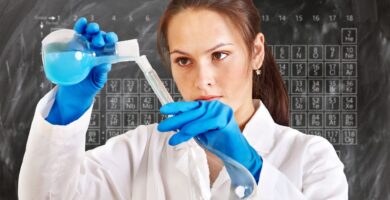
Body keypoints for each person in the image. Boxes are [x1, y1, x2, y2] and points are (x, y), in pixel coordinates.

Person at [18, 0, 348, 199]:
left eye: (219, 55)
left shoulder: (311, 159)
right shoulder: (142, 150)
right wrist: (68, 108)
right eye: (183, 60)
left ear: (256, 52)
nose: (202, 78)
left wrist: (249, 165)